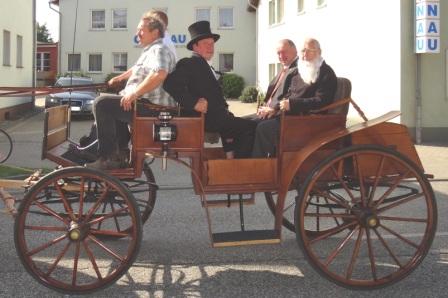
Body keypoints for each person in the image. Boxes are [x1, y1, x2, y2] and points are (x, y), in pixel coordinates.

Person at [86, 13, 176, 170]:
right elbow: (136, 69)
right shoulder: (150, 50)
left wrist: (134, 94)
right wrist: (119, 78)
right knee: (113, 103)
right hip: (145, 104)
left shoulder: (159, 49)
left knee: (101, 103)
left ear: (155, 32)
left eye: (141, 30)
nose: (137, 34)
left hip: (151, 108)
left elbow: (160, 73)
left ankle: (108, 157)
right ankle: (120, 154)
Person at [163, 21, 256, 158]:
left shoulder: (205, 65)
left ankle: (231, 158)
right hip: (208, 119)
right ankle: (240, 168)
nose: (210, 47)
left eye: (212, 44)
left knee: (247, 122)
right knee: (251, 128)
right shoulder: (189, 63)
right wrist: (194, 103)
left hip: (218, 118)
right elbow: (170, 84)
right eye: (206, 44)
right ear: (195, 46)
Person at [252, 37, 337, 157]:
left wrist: (292, 104)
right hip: (290, 116)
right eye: (303, 51)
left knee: (264, 128)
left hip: (306, 120)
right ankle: (249, 164)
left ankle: (259, 169)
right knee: (255, 122)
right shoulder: (299, 71)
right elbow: (288, 94)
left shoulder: (326, 74)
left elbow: (321, 101)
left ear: (319, 52)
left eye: (309, 50)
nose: (304, 54)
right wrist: (274, 109)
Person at [257, 39, 299, 119]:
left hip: (281, 116)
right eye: (278, 53)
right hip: (267, 112)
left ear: (295, 51)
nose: (281, 56)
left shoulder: (298, 69)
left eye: (284, 52)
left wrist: (274, 109)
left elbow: (292, 95)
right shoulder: (285, 68)